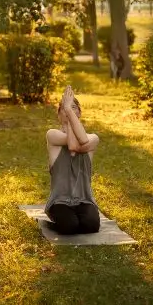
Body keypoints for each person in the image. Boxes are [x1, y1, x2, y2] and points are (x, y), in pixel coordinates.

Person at [44, 85, 101, 235]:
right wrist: (69, 119)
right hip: (60, 201)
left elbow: (78, 144)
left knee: (91, 226)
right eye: (64, 108)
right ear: (58, 114)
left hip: (84, 200)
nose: (69, 110)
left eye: (74, 107)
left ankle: (79, 217)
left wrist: (68, 112)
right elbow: (72, 146)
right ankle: (57, 219)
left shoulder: (93, 138)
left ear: (79, 113)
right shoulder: (52, 135)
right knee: (69, 227)